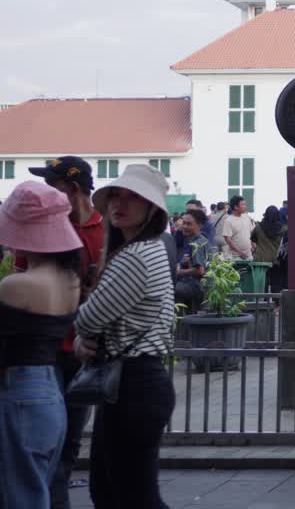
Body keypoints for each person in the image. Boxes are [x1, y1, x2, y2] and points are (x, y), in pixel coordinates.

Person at [73, 164, 176, 507]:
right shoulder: (151, 249)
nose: (120, 203)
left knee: (130, 496)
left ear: (152, 209)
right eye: (116, 195)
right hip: (136, 383)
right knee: (111, 491)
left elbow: (87, 320)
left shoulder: (136, 256)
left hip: (134, 385)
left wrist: (81, 335)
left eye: (134, 197)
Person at [25, 156, 105, 509]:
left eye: (52, 185)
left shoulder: (109, 231)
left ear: (73, 189)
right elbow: (24, 278)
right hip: (45, 347)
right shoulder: (42, 226)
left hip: (86, 351)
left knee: (69, 443)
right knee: (45, 442)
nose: (46, 192)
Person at [0, 182, 84, 509]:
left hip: (19, 390)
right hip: (50, 390)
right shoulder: (70, 280)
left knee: (19, 495)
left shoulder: (16, 284)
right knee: (38, 489)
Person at [173, 210, 209, 311]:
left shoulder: (196, 243)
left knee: (167, 287)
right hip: (196, 284)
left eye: (189, 224)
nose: (184, 226)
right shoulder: (199, 239)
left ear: (200, 225)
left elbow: (199, 271)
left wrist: (179, 272)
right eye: (183, 223)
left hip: (198, 286)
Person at [251, 205, 286, 276]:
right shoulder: (283, 228)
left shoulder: (258, 227)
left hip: (260, 259)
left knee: (261, 281)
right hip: (275, 259)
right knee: (275, 283)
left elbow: (253, 238)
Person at [220, 196, 253, 260]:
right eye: (243, 204)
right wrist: (240, 253)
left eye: (245, 204)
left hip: (248, 254)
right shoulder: (229, 221)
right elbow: (228, 240)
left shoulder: (246, 217)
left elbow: (251, 234)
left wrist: (254, 246)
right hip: (236, 257)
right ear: (236, 207)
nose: (245, 206)